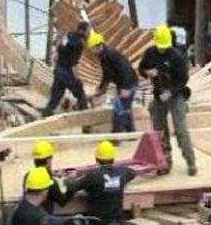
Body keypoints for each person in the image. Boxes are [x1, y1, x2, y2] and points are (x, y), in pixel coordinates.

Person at [138, 25, 197, 176]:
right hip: (158, 94)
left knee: (180, 130)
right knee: (159, 130)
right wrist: (147, 72)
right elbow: (141, 68)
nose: (162, 50)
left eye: (165, 47)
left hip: (175, 94)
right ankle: (164, 161)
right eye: (160, 47)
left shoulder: (176, 56)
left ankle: (190, 161)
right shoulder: (150, 53)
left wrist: (170, 92)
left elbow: (183, 79)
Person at [65, 141, 136, 225]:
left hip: (97, 222)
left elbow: (72, 187)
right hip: (117, 222)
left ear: (96, 158)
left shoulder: (92, 176)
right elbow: (132, 172)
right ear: (113, 158)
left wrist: (69, 179)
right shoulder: (121, 173)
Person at [87, 32, 138, 133]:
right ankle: (131, 132)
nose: (92, 51)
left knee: (118, 109)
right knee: (125, 108)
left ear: (100, 46)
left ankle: (116, 135)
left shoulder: (112, 55)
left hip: (129, 83)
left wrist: (126, 88)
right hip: (122, 84)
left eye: (93, 48)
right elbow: (106, 75)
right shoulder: (103, 58)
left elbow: (126, 69)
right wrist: (101, 89)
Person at [43, 22, 90, 117]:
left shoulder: (68, 35)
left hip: (59, 69)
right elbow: (74, 63)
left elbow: (59, 47)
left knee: (56, 95)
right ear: (82, 30)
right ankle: (86, 116)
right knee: (80, 92)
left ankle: (46, 113)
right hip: (66, 72)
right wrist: (77, 78)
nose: (88, 33)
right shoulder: (79, 43)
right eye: (88, 31)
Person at [22, 141, 69, 213]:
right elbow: (62, 201)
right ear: (48, 160)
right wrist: (72, 186)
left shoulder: (28, 176)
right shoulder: (49, 181)